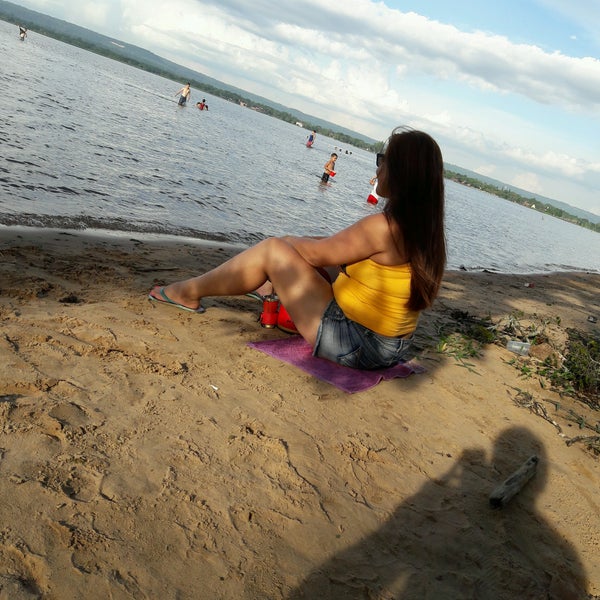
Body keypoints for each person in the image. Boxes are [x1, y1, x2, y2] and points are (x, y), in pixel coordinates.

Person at [148, 127, 446, 370]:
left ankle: (188, 292)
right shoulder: (424, 231)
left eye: (383, 160)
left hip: (357, 345)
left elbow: (316, 253)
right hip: (392, 346)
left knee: (272, 250)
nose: (378, 169)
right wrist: (296, 243)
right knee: (311, 253)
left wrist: (286, 243)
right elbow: (335, 249)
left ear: (402, 172)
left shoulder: (383, 227)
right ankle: (266, 284)